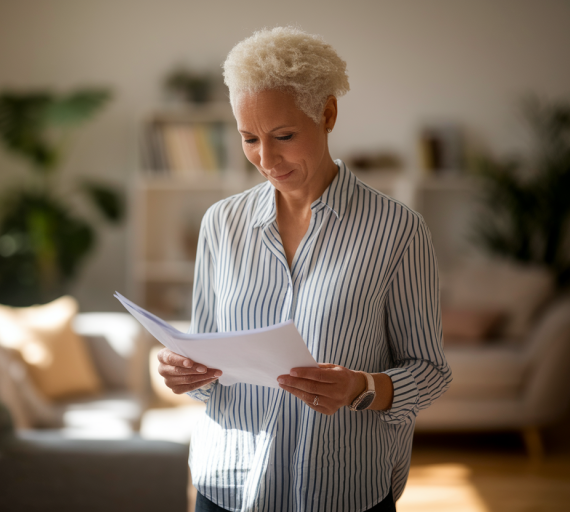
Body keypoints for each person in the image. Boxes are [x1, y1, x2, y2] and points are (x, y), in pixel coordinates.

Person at [156, 27, 452, 512]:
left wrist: (361, 387)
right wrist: (187, 373)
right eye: (249, 139)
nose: (266, 159)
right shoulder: (221, 224)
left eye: (284, 136)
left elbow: (430, 372)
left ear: (327, 114)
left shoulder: (398, 229)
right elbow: (208, 360)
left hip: (345, 488)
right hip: (229, 483)